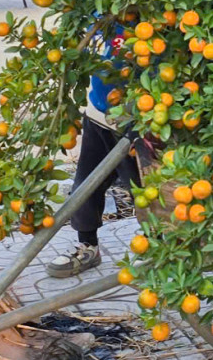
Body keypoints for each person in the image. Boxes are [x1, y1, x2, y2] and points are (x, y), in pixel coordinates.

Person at [44, 25, 146, 278]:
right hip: (98, 115)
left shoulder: (146, 19)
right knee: (84, 187)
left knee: (146, 194)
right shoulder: (99, 15)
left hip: (135, 124)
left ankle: (161, 247)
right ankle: (87, 245)